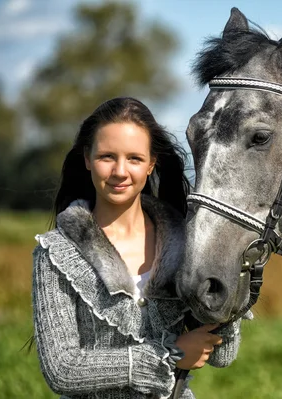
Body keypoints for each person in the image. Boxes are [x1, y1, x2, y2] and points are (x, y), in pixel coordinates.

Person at [32, 97, 245, 399]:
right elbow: (62, 369)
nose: (120, 171)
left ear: (151, 164)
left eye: (134, 158)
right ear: (87, 159)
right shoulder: (56, 252)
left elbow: (224, 356)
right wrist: (167, 356)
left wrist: (232, 278)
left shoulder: (188, 243)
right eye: (107, 156)